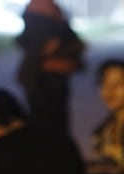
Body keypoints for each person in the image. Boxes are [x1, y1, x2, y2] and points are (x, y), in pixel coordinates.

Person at [15, 0, 84, 134]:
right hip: (42, 77)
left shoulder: (44, 12)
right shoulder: (45, 13)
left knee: (50, 120)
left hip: (48, 76)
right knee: (50, 121)